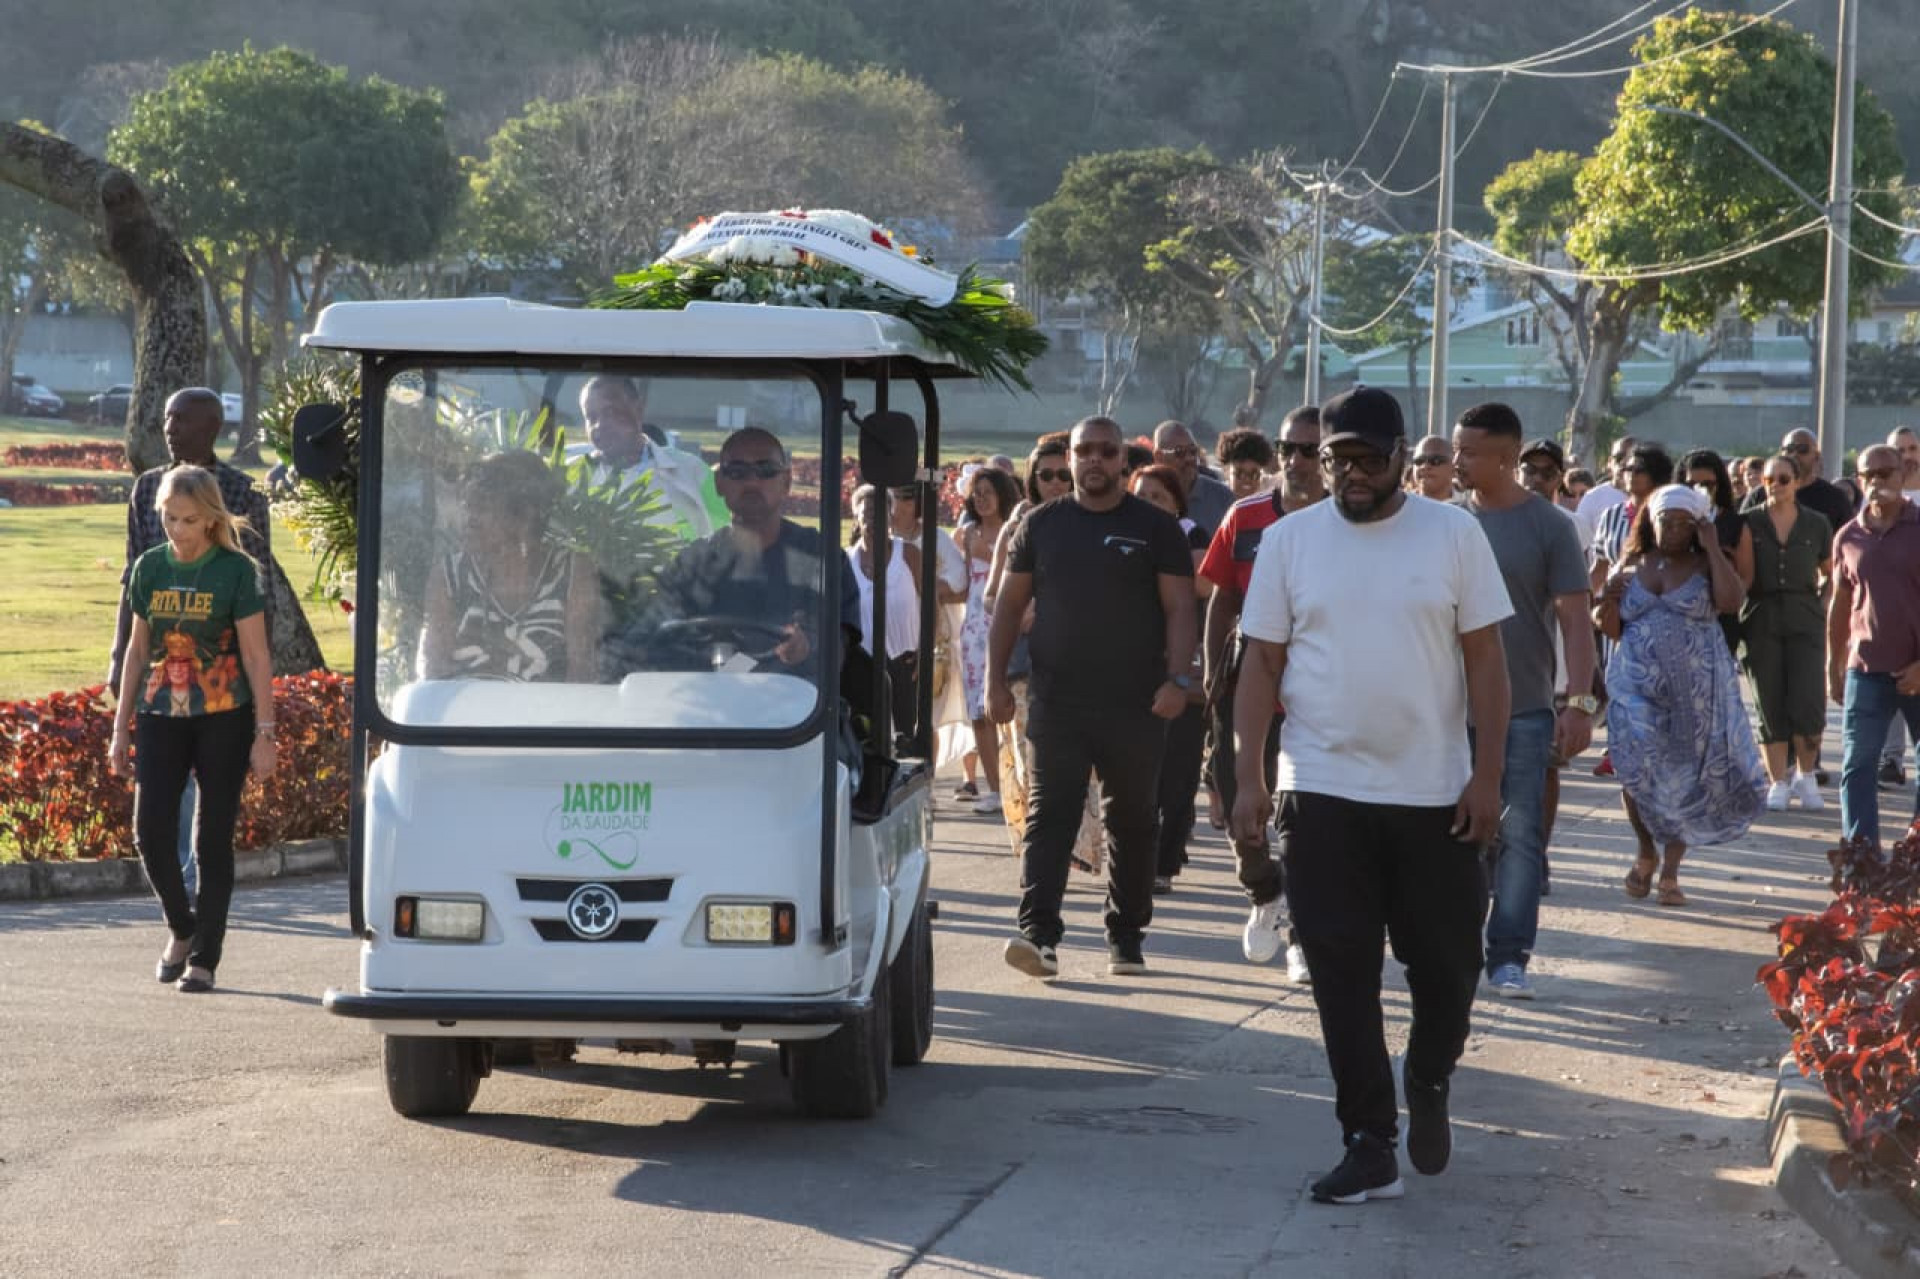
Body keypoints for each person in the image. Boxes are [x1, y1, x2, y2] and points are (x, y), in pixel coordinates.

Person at [1231, 386, 1511, 1204]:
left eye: (1368, 458)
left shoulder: (1453, 534)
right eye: (1336, 459)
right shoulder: (1288, 542)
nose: (1351, 473)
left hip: (1435, 794)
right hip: (1320, 788)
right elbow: (1260, 664)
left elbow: (1487, 662)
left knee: (1449, 966)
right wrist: (1248, 777)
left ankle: (1428, 1073)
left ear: (1399, 457)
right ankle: (1368, 1138)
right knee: (1340, 970)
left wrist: (1487, 775)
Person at [987, 415, 1198, 978]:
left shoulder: (1156, 528)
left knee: (1131, 819)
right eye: (1085, 451)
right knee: (1049, 815)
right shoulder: (1041, 525)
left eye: (1107, 451)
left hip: (1137, 703)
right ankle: (1038, 935)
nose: (1095, 461)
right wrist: (993, 682)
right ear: (1072, 457)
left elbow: (1181, 609)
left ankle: (1126, 936)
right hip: (1058, 700)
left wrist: (1178, 680)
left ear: (1123, 460)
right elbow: (1008, 606)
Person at [108, 466, 277, 995]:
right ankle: (182, 927)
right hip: (160, 713)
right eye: (169, 518)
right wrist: (120, 727)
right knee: (149, 832)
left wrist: (265, 732)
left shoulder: (235, 571)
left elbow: (256, 655)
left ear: (209, 519)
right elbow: (137, 650)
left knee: (211, 840)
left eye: (187, 520)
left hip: (224, 716)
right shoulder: (149, 568)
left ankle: (204, 957)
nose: (177, 530)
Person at [1453, 405, 1595, 1001]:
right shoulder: (1445, 522)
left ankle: (1509, 956)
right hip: (1443, 711)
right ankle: (1453, 948)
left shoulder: (1550, 526)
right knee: (1449, 835)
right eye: (1456, 450)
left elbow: (1576, 619)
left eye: (1469, 452)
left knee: (1519, 835)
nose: (1457, 461)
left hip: (1525, 707)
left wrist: (1580, 702)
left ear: (1507, 458)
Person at [111, 387, 272, 900]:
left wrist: (258, 688)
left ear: (213, 428)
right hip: (160, 667)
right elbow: (133, 579)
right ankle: (181, 891)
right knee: (162, 797)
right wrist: (120, 655)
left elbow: (257, 583)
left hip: (222, 674)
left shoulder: (242, 491)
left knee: (213, 807)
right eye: (167, 418)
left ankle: (202, 889)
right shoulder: (147, 489)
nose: (170, 428)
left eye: (182, 420)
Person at [1201, 404, 1324, 983]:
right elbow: (1222, 595)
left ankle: (1302, 936)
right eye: (1287, 448)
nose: (1296, 460)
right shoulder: (1246, 515)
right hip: (1246, 688)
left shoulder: (1347, 522)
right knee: (1238, 805)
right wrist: (1211, 673)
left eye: (1309, 450)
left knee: (1303, 821)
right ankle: (1264, 890)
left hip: (1316, 697)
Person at [1598, 486, 1766, 907]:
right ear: (1650, 522)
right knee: (1633, 769)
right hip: (1635, 688)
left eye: (1682, 523)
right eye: (1665, 521)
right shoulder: (1631, 563)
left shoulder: (1707, 564)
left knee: (1684, 778)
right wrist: (1606, 602)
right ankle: (1645, 849)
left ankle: (1670, 871)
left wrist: (1711, 546)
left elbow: (1732, 602)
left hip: (1695, 692)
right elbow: (1611, 628)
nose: (1673, 530)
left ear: (1696, 526)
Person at [633, 427, 855, 679]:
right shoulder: (690, 566)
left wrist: (808, 647)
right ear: (719, 483)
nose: (752, 482)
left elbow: (841, 649)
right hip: (708, 700)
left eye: (766, 470)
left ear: (786, 482)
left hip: (799, 701)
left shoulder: (822, 559)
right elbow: (652, 642)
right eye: (737, 471)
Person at [985, 436, 1106, 874]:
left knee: (1082, 762)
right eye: (1046, 475)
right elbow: (991, 596)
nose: (1055, 482)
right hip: (1025, 665)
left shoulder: (1093, 520)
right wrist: (1021, 610)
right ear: (1032, 480)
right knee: (1028, 761)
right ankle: (1041, 850)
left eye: (1062, 474)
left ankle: (1076, 846)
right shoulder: (1019, 524)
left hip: (1081, 663)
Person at [419, 452, 600, 682]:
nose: (469, 519)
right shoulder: (448, 576)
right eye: (467, 506)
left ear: (524, 516)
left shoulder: (573, 572)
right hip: (466, 705)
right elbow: (434, 672)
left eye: (482, 508)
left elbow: (581, 673)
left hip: (548, 705)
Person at [1830, 445, 1920, 847]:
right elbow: (1840, 604)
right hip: (1865, 669)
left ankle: (1914, 856)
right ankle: (1862, 858)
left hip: (1917, 669)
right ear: (1859, 479)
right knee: (1858, 765)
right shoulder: (1848, 536)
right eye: (1870, 475)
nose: (1878, 481)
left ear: (1903, 475)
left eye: (1887, 473)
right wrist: (1833, 666)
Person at [1130, 463, 1210, 894]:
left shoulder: (1191, 535)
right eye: (1141, 496)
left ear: (1177, 503)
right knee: (1134, 773)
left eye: (1158, 497)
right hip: (1131, 668)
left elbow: (1203, 585)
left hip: (1182, 670)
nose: (1148, 505)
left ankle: (1165, 862)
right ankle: (1135, 858)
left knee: (1178, 773)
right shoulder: (1119, 535)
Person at [1741, 455, 1832, 811]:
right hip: (1761, 617)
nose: (1775, 485)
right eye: (1769, 479)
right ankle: (1778, 780)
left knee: (1808, 700)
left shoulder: (1817, 523)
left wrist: (1822, 605)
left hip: (1805, 617)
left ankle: (1806, 776)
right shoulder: (1749, 522)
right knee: (1769, 702)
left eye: (1783, 478)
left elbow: (1832, 573)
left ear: (1796, 481)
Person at [578, 375, 728, 541]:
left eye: (610, 412)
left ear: (639, 409)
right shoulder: (571, 478)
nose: (600, 425)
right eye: (591, 417)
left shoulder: (693, 471)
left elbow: (727, 541)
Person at [953, 466, 1021, 813]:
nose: (981, 500)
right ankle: (994, 789)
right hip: (974, 629)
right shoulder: (966, 534)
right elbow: (964, 583)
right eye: (976, 493)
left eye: (988, 493)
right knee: (978, 714)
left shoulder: (1014, 530)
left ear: (1002, 496)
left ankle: (1017, 788)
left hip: (1004, 624)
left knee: (1006, 710)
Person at [847, 484, 923, 741]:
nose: (873, 519)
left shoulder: (909, 554)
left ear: (891, 516)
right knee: (867, 734)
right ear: (856, 517)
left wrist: (927, 648)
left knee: (906, 735)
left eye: (880, 513)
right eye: (867, 513)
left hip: (906, 658)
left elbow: (931, 604)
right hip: (862, 663)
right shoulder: (846, 562)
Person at [1875, 428, 1920, 788]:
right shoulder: (1875, 501)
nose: (1907, 456)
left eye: (1912, 448)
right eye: (1899, 450)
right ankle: (1890, 757)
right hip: (1888, 619)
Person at [1681, 449, 1757, 658]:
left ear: (1719, 485)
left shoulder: (1735, 524)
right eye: (1691, 484)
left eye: (1707, 484)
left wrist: (1725, 599)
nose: (1699, 490)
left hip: (1720, 620)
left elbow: (1746, 576)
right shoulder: (1672, 523)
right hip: (1679, 618)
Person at [1744, 428, 1857, 535]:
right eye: (1789, 449)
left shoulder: (1835, 499)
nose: (1794, 455)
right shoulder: (1759, 495)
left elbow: (1847, 541)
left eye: (1803, 449)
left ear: (1816, 457)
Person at [1154, 419, 1234, 537]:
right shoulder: (1146, 494)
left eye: (1193, 451)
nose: (1189, 458)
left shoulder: (1223, 497)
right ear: (1159, 456)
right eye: (1179, 452)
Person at [1576, 435, 1636, 528]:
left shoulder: (1651, 498)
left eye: (1630, 458)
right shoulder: (1593, 497)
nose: (1624, 463)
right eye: (1619, 457)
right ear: (1609, 462)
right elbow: (1579, 533)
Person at [1216, 428, 1277, 500]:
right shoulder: (1215, 501)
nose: (1247, 480)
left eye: (1254, 475)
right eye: (1240, 473)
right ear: (1226, 472)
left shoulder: (1270, 502)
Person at [1408, 434, 1454, 500]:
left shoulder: (1466, 505)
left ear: (1453, 467)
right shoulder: (1400, 503)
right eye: (1419, 461)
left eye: (1435, 460)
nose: (1425, 466)